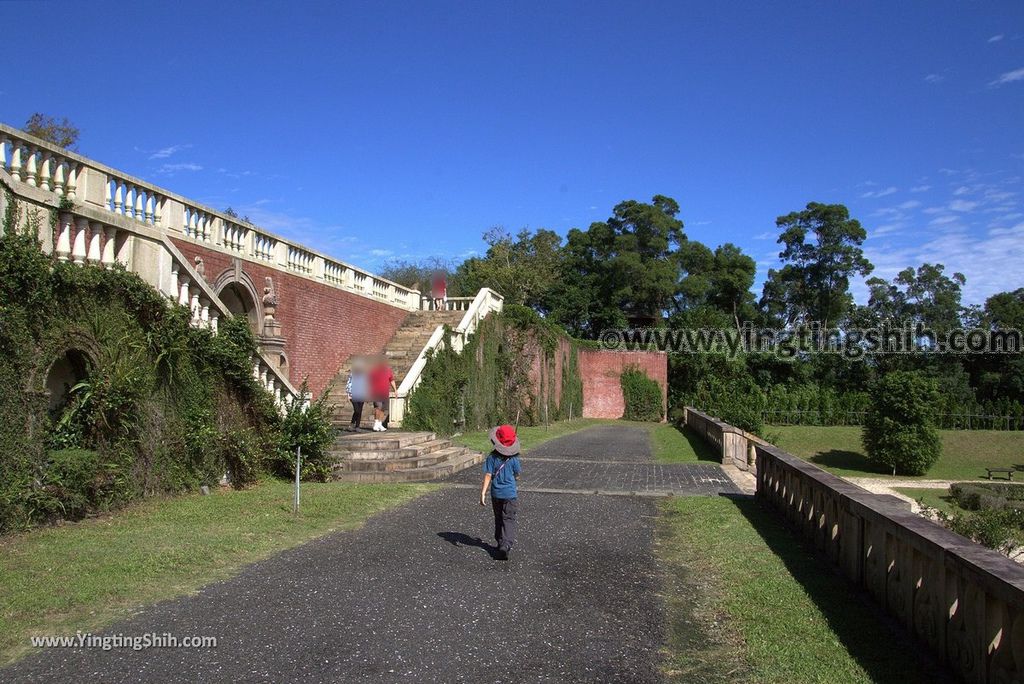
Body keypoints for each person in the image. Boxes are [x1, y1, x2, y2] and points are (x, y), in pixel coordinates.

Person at [480, 424, 521, 561]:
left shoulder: (492, 458)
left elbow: (488, 475)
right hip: (510, 494)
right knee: (508, 519)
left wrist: (483, 493)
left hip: (496, 493)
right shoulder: (514, 458)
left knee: (498, 518)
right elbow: (517, 475)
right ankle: (506, 544)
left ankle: (499, 541)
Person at [369, 356, 397, 432]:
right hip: (376, 392)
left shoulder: (388, 371)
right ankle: (376, 423)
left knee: (383, 409)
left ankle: (380, 424)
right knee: (378, 407)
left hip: (385, 392)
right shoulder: (375, 371)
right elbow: (369, 380)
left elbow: (391, 380)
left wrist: (395, 390)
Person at [345, 356, 368, 431]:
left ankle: (357, 426)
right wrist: (349, 394)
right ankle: (352, 423)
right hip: (353, 395)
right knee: (356, 410)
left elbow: (365, 385)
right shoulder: (352, 375)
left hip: (361, 395)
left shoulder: (364, 375)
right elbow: (349, 384)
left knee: (360, 411)